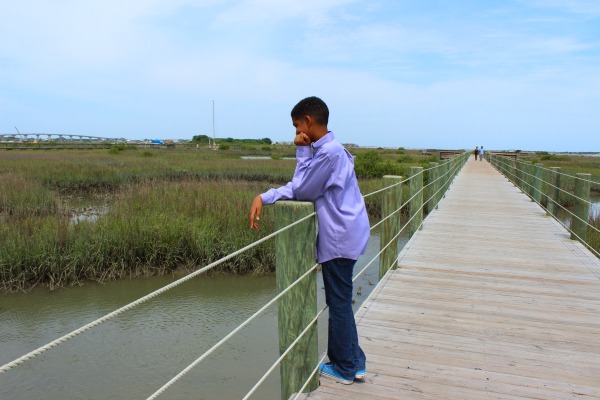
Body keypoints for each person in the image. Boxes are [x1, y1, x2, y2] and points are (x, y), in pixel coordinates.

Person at [249, 96, 369, 385]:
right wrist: (265, 197)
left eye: (296, 126)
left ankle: (344, 368)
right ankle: (355, 362)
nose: (295, 133)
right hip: (349, 232)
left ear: (308, 122)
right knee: (341, 300)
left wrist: (301, 152)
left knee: (338, 302)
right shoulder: (331, 150)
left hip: (339, 238)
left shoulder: (326, 154)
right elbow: (300, 186)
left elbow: (302, 190)